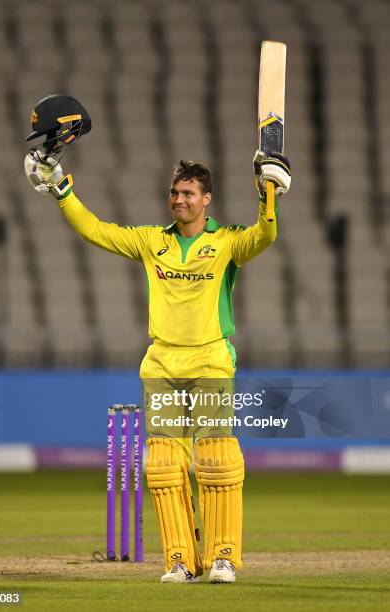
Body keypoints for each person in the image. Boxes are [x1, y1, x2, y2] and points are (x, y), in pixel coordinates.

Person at [25, 95, 291, 584]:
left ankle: (224, 557)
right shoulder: (153, 241)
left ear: (206, 198)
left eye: (189, 194)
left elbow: (264, 237)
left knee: (216, 459)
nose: (180, 200)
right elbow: (96, 231)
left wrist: (268, 192)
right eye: (175, 193)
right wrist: (62, 190)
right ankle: (178, 561)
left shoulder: (228, 241)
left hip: (211, 360)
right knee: (165, 466)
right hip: (162, 364)